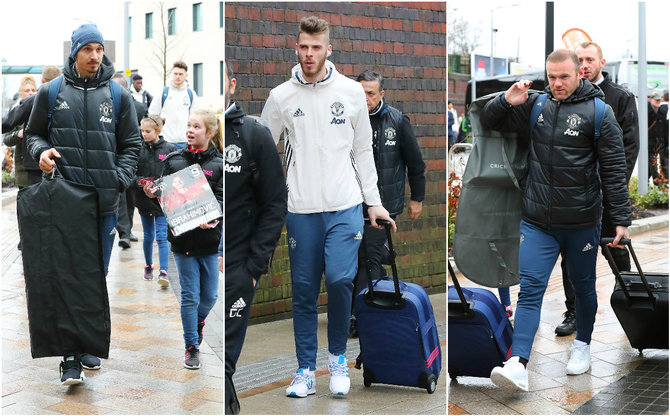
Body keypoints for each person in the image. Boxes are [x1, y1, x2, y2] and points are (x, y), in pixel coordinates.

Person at [260, 16, 396, 397]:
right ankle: (305, 370)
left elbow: (362, 152)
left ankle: (337, 360)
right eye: (303, 46)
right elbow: (262, 150)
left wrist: (375, 203)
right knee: (303, 290)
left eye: (316, 47)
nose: (309, 54)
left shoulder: (352, 92)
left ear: (328, 49)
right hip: (300, 209)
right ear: (297, 47)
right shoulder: (281, 96)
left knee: (339, 280)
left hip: (345, 206)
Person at [482, 49, 631, 391]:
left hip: (581, 223)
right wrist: (506, 100)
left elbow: (613, 168)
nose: (557, 83)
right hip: (537, 222)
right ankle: (518, 362)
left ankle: (583, 346)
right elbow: (490, 120)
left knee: (582, 289)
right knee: (530, 290)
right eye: (551, 77)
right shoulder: (536, 106)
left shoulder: (599, 112)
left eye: (564, 77)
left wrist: (621, 218)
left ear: (579, 72)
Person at [25, 23, 141, 385]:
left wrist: (117, 180)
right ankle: (70, 357)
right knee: (66, 277)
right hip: (64, 203)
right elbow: (33, 134)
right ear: (74, 52)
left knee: (95, 276)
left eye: (99, 49)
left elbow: (132, 145)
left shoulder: (118, 95)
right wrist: (42, 152)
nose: (95, 56)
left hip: (104, 205)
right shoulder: (51, 91)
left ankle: (88, 342)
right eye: (88, 49)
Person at [548, 42, 643, 336]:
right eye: (581, 59)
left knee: (617, 250)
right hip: (576, 199)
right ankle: (574, 310)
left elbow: (629, 148)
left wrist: (612, 192)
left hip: (606, 197)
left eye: (590, 59)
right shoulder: (563, 101)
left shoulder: (621, 98)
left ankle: (634, 304)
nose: (585, 64)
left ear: (602, 62)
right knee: (570, 258)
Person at [224, 60, 287, 415]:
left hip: (238, 268)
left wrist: (254, 266)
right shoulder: (195, 139)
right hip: (199, 262)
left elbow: (275, 202)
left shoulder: (253, 134)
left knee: (225, 364)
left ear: (232, 85)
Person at [144, 109, 222, 370]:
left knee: (210, 296)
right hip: (182, 240)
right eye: (189, 125)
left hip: (209, 242)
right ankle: (191, 346)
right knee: (190, 295)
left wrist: (213, 216)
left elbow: (223, 199)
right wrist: (152, 191)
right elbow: (161, 189)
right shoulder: (175, 160)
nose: (190, 130)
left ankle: (198, 322)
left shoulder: (219, 165)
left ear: (209, 133)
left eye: (197, 127)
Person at [349, 70, 425, 337]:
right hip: (350, 203)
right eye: (361, 93)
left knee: (366, 258)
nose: (365, 98)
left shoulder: (396, 120)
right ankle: (379, 267)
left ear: (381, 94)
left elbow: (415, 163)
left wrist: (418, 198)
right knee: (354, 259)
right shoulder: (345, 120)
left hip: (384, 205)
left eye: (371, 93)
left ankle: (358, 316)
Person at [133, 114, 177, 285]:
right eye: (142, 130)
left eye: (148, 131)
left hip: (161, 200)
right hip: (143, 198)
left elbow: (175, 175)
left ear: (158, 130)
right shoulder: (137, 148)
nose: (144, 134)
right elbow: (131, 172)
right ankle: (148, 265)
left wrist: (162, 188)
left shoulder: (170, 149)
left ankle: (164, 271)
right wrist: (138, 183)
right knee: (148, 235)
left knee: (161, 235)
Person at [111, 74, 144, 247]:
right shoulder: (108, 105)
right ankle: (124, 232)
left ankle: (127, 229)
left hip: (134, 156)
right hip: (116, 157)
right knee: (122, 195)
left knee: (131, 196)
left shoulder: (138, 108)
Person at [148, 61, 198, 148]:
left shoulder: (191, 94)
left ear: (186, 75)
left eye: (180, 74)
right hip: (165, 141)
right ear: (172, 74)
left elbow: (195, 118)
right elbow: (153, 115)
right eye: (175, 74)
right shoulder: (163, 92)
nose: (178, 76)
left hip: (184, 142)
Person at [648, 90, 669, 183]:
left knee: (661, 160)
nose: (658, 101)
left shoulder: (661, 110)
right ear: (651, 99)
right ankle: (657, 181)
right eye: (656, 100)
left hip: (660, 140)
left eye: (659, 100)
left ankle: (662, 179)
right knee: (652, 160)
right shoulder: (647, 111)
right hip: (650, 140)